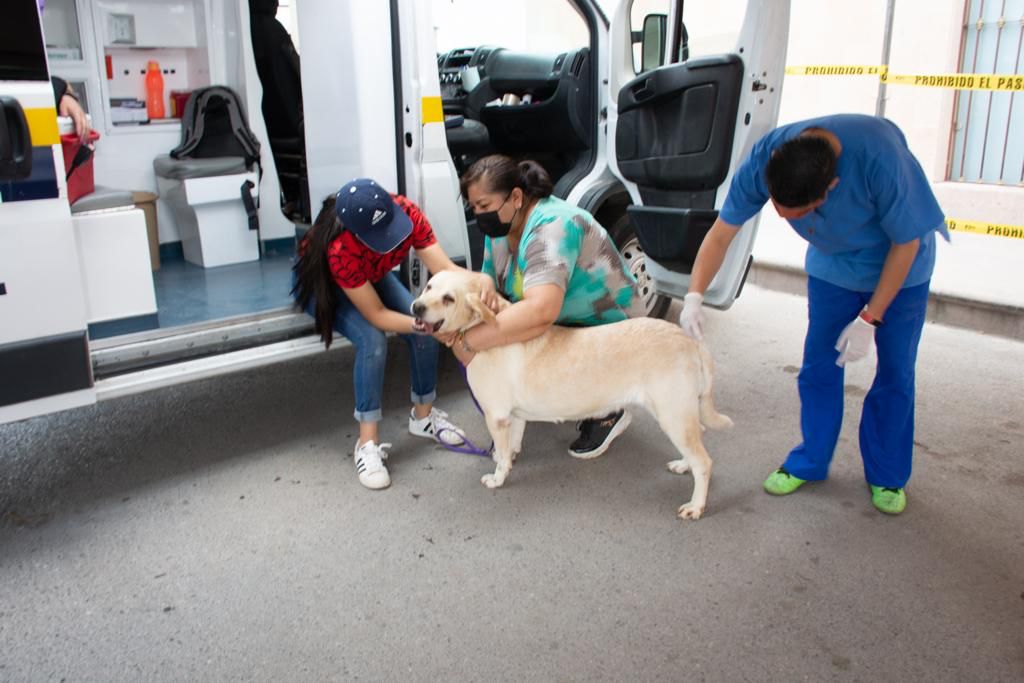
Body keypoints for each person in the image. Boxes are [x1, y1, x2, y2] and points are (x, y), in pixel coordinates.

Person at [678, 114, 946, 515]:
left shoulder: (881, 159)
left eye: (798, 214)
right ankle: (811, 460)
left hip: (899, 269)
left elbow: (905, 244)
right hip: (834, 269)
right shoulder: (767, 158)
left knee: (896, 371)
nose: (787, 220)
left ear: (831, 189)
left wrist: (870, 318)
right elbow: (721, 233)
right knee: (819, 366)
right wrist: (694, 295)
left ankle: (888, 475)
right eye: (779, 210)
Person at [292, 178, 494, 490]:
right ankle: (367, 444)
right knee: (372, 340)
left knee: (424, 330)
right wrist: (425, 325)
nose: (394, 239)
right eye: (381, 236)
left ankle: (423, 418)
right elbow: (377, 315)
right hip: (325, 285)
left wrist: (483, 281)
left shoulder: (407, 213)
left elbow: (444, 269)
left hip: (368, 274)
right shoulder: (340, 248)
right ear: (358, 233)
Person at [450, 155, 645, 458]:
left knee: (487, 343)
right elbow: (489, 283)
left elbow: (541, 312)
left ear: (516, 197)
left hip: (607, 327)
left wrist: (467, 340)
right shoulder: (501, 228)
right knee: (491, 359)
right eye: (473, 207)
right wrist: (483, 286)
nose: (479, 214)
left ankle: (609, 409)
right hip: (563, 321)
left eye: (484, 206)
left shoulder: (553, 227)